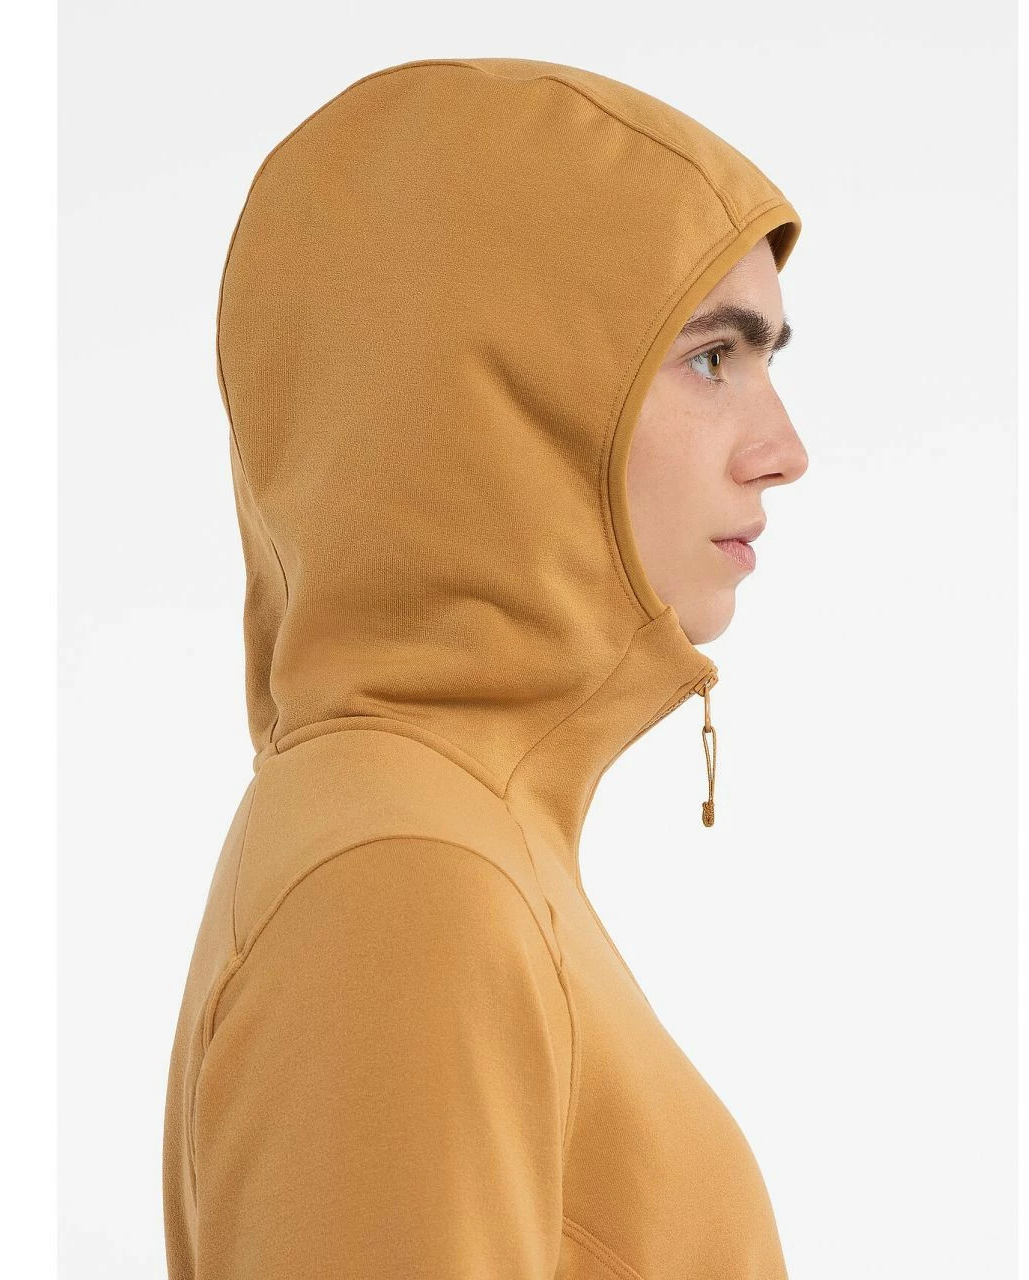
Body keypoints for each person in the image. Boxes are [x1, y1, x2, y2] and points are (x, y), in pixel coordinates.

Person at [163, 56, 808, 1280]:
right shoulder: (408, 879)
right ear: (496, 390)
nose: (783, 448)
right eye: (711, 358)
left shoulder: (448, 836)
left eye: (770, 358)